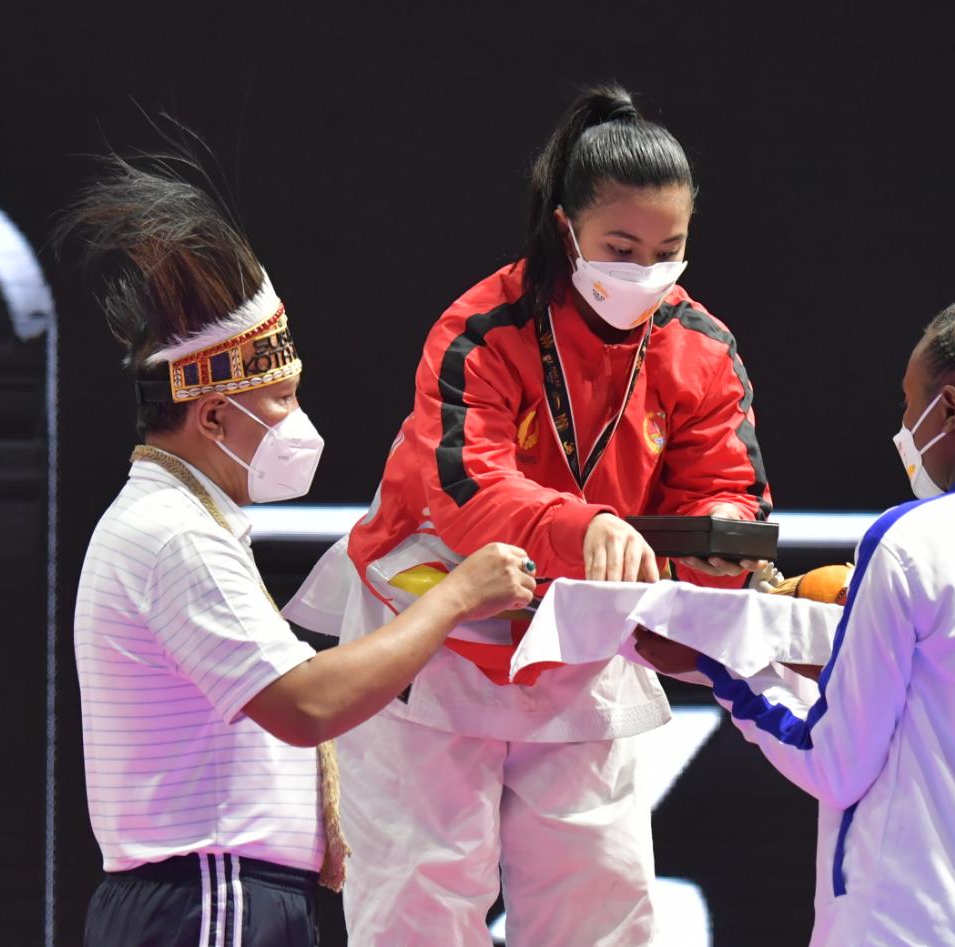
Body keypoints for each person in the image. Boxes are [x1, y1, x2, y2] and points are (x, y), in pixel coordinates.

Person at [287, 83, 771, 946]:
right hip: (435, 628)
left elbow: (724, 485)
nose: (646, 271)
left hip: (579, 638)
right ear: (564, 229)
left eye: (669, 250)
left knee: (604, 907)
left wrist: (720, 549)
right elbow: (469, 489)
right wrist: (585, 526)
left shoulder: (701, 348)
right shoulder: (480, 329)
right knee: (420, 906)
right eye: (621, 248)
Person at [59, 151, 535, 947]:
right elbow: (306, 704)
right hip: (211, 896)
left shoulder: (176, 521)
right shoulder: (174, 534)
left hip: (217, 892)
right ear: (213, 417)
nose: (297, 419)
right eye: (279, 397)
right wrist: (457, 596)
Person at [637, 297, 955, 945]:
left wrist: (719, 665)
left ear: (948, 409)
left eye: (908, 400)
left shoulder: (912, 542)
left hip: (911, 926)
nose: (902, 424)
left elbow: (832, 760)